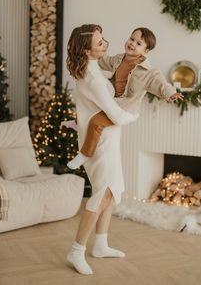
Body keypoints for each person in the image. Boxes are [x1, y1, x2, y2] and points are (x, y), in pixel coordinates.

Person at [66, 24, 139, 275]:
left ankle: (101, 244)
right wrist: (135, 115)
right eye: (99, 43)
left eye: (103, 38)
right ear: (86, 51)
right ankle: (76, 250)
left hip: (107, 140)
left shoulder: (90, 68)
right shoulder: (93, 78)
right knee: (102, 194)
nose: (105, 44)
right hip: (102, 146)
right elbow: (116, 115)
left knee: (111, 191)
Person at [65, 27, 183, 170]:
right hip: (113, 100)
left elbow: (161, 84)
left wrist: (170, 93)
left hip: (126, 108)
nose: (132, 43)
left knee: (96, 122)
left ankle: (84, 154)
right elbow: (103, 61)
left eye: (139, 43)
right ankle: (78, 123)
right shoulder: (119, 59)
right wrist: (90, 50)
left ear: (146, 51)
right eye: (132, 39)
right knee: (92, 104)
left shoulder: (149, 72)